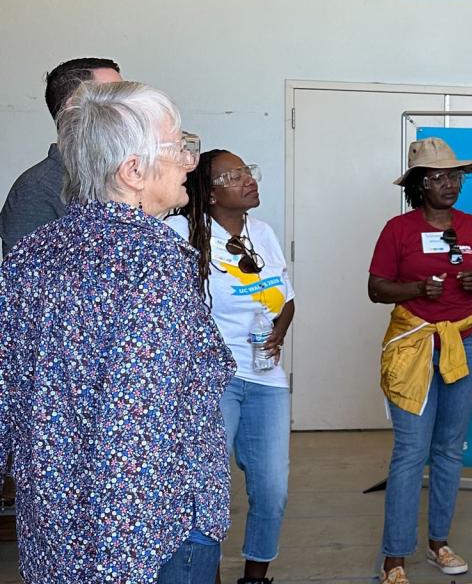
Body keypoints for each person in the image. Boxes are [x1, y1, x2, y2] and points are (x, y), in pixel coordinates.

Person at [0, 81, 234, 582]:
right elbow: (136, 427)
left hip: (57, 531)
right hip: (152, 538)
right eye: (179, 148)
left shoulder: (31, 255)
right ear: (133, 171)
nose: (191, 163)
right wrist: (121, 566)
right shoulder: (154, 264)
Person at [368, 137, 472, 583]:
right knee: (410, 451)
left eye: (454, 175)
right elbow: (376, 288)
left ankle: (439, 543)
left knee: (448, 449)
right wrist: (415, 290)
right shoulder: (397, 230)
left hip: (465, 342)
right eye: (437, 177)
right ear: (419, 186)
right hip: (415, 345)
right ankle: (395, 557)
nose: (448, 184)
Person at [169, 150, 295, 584]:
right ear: (209, 192)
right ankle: (209, 575)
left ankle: (256, 576)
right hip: (214, 380)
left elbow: (287, 298)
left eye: (248, 172)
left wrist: (278, 331)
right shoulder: (181, 232)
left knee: (272, 488)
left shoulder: (263, 233)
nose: (248, 180)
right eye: (235, 175)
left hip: (267, 377)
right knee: (207, 489)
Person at [0, 56, 122, 255]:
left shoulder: (124, 176)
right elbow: (28, 282)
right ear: (76, 106)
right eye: (114, 97)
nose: (130, 107)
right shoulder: (35, 189)